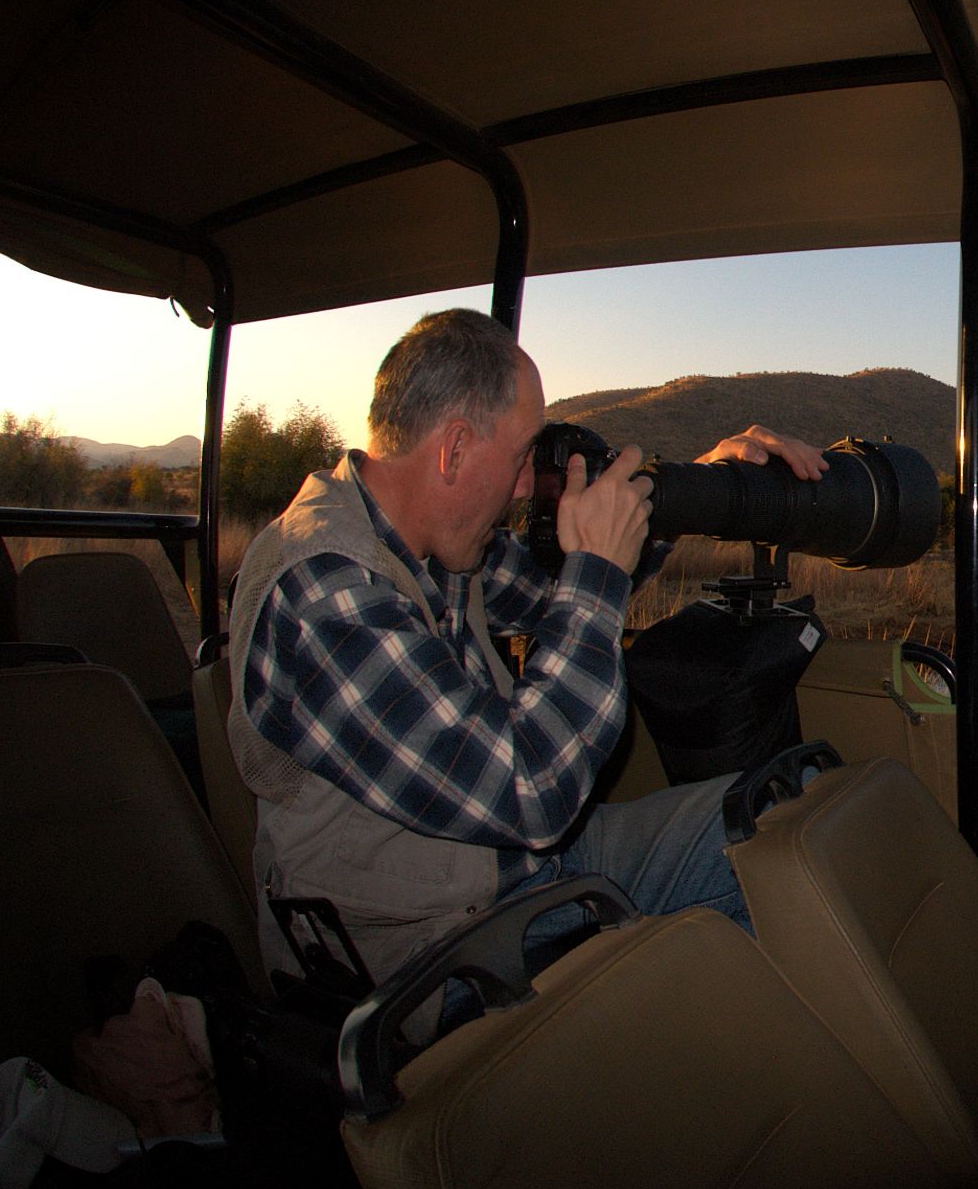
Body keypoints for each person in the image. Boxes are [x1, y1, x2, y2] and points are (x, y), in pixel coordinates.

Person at [224, 308, 825, 995]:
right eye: (518, 461)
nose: (522, 491)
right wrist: (595, 574)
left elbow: (550, 585)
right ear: (453, 448)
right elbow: (529, 795)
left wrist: (705, 486)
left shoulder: (433, 547)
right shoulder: (324, 588)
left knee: (792, 820)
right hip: (423, 951)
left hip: (520, 875)